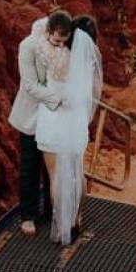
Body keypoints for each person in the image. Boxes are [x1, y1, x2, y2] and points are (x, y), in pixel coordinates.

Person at [35, 15, 102, 245]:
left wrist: (56, 24)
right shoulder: (88, 61)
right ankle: (77, 218)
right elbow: (91, 93)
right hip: (76, 123)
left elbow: (38, 27)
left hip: (53, 122)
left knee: (56, 176)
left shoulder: (57, 56)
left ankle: (63, 225)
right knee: (77, 173)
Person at [8, 11, 69, 236]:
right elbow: (29, 85)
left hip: (56, 118)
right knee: (31, 165)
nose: (61, 46)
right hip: (33, 114)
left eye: (65, 42)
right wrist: (57, 99)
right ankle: (28, 215)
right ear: (48, 31)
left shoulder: (64, 44)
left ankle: (53, 211)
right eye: (58, 41)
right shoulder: (29, 46)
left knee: (54, 167)